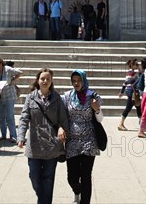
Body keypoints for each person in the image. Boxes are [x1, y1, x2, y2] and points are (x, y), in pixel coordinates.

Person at [17, 68, 68, 204]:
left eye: (48, 79)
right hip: (34, 146)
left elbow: (63, 119)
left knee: (48, 179)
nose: (45, 81)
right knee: (34, 177)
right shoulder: (30, 97)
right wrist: (21, 136)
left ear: (51, 82)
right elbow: (24, 118)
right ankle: (43, 199)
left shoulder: (57, 99)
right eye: (43, 79)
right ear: (38, 81)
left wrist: (62, 128)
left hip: (52, 147)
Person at [62, 69, 104, 204]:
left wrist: (96, 108)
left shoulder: (93, 96)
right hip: (72, 140)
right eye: (74, 81)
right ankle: (77, 191)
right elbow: (62, 115)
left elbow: (100, 118)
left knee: (86, 176)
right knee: (72, 177)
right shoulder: (67, 96)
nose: (76, 83)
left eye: (79, 80)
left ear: (84, 80)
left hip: (89, 140)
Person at [0, 57, 22, 142]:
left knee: (10, 116)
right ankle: (3, 134)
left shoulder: (7, 69)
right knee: (1, 117)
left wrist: (13, 80)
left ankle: (13, 135)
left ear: (1, 64)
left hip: (9, 96)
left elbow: (19, 72)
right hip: (0, 96)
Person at [118, 59, 141, 131]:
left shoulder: (130, 72)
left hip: (130, 91)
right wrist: (137, 78)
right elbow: (128, 81)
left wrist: (122, 92)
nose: (137, 66)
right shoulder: (132, 73)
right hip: (131, 91)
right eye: (136, 65)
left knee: (138, 106)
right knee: (129, 107)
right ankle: (120, 124)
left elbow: (125, 83)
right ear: (132, 65)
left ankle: (142, 123)